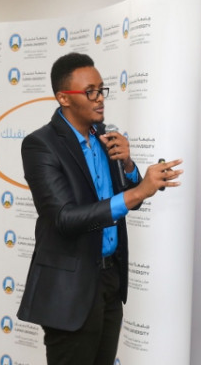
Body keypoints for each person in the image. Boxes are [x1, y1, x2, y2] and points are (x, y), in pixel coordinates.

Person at [16, 52, 182, 365]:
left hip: (109, 280)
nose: (99, 98)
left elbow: (126, 198)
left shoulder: (105, 137)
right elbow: (64, 218)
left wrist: (129, 165)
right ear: (64, 98)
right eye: (90, 91)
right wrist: (139, 191)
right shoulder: (41, 145)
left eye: (101, 89)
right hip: (71, 290)